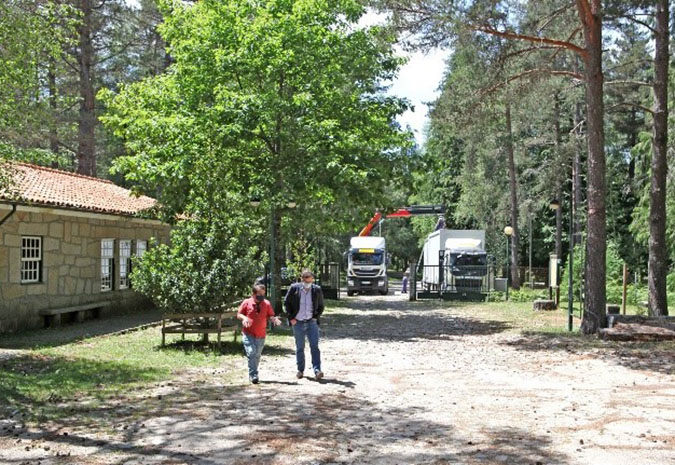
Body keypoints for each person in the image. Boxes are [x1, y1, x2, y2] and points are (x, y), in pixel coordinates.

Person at [284, 269, 325, 379]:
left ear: (312, 278)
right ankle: (300, 370)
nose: (307, 280)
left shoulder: (316, 290)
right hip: (298, 322)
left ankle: (317, 370)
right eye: (305, 277)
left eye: (309, 277)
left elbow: (321, 305)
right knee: (300, 347)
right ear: (302, 278)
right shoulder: (294, 288)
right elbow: (286, 303)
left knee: (314, 347)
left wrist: (316, 317)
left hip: (311, 322)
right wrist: (291, 318)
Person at [237, 284, 281, 384]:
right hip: (248, 333)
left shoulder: (266, 303)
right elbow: (239, 314)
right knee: (251, 352)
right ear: (253, 294)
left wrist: (274, 320)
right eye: (259, 294)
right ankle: (253, 374)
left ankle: (254, 373)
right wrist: (245, 318)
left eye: (263, 294)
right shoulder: (246, 302)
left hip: (261, 334)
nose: (261, 296)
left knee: (257, 355)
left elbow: (270, 315)